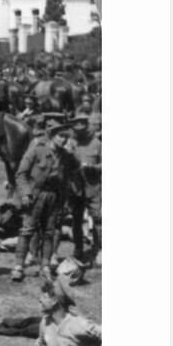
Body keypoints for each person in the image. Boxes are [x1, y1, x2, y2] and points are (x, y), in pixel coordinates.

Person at [11, 115, 81, 283]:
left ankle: (45, 266)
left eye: (66, 137)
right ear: (52, 135)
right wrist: (25, 193)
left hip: (54, 198)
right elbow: (21, 174)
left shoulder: (65, 155)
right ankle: (18, 266)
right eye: (60, 136)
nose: (64, 140)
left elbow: (75, 169)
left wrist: (71, 153)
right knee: (27, 230)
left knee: (49, 232)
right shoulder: (37, 149)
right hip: (35, 195)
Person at [68, 114, 102, 265]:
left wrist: (91, 167)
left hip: (92, 187)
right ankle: (78, 248)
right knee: (76, 219)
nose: (79, 131)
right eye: (77, 129)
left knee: (98, 219)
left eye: (82, 128)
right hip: (76, 189)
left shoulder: (97, 144)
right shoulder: (71, 143)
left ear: (87, 127)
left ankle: (98, 248)